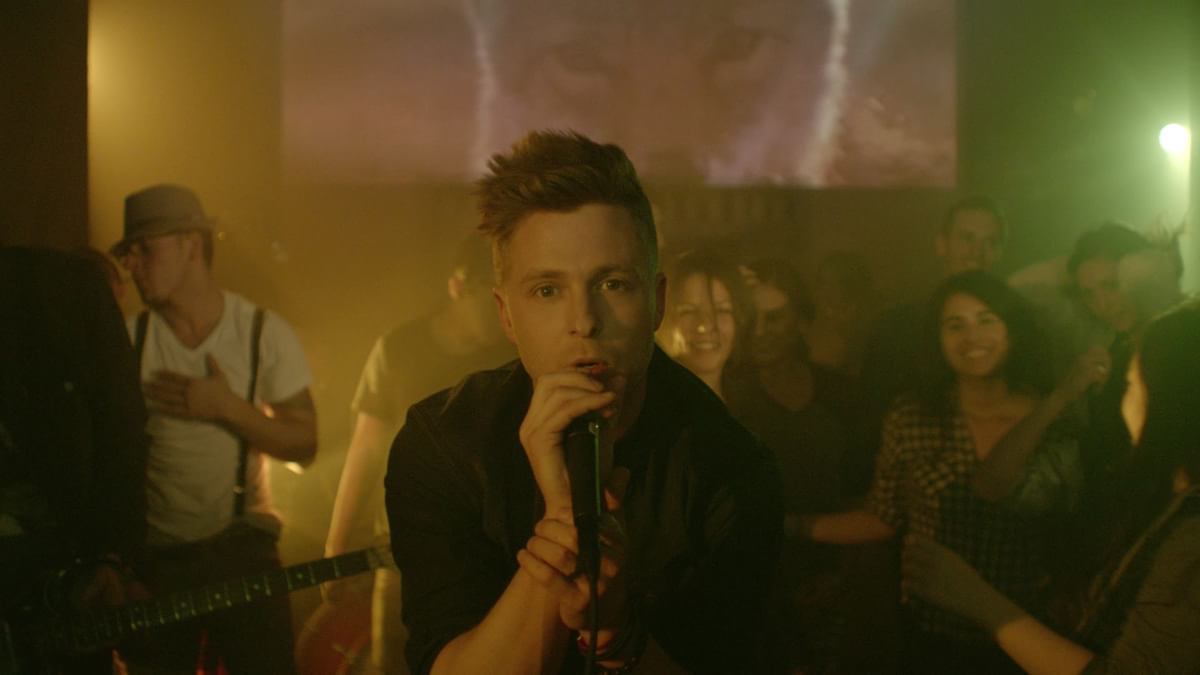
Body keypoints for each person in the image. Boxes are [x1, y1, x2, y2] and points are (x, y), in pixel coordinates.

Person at [385, 130, 783, 675]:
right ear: (506, 316)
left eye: (613, 284)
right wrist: (566, 521)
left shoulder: (731, 466)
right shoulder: (445, 442)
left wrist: (616, 635)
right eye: (547, 290)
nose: (584, 321)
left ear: (657, 302)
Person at [802, 271, 1087, 674]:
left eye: (986, 320)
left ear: (1012, 328)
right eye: (955, 325)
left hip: (1028, 636)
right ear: (937, 339)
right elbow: (882, 517)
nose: (972, 337)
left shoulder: (1052, 419)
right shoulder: (913, 416)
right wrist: (791, 525)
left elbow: (1073, 527)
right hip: (932, 634)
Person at [905, 297, 1200, 674]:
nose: (1122, 396)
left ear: (1168, 400)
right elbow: (991, 484)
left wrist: (977, 600)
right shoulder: (1156, 488)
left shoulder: (1191, 534)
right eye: (955, 324)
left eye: (1130, 384)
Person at [111, 184, 317, 674]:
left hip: (242, 552)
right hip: (156, 566)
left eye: (146, 249)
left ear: (191, 245)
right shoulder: (128, 341)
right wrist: (122, 568)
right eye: (128, 253)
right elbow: (107, 466)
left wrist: (227, 408)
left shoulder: (260, 332)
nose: (132, 264)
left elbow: (305, 444)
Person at [322, 234, 514, 675]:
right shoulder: (400, 348)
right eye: (488, 295)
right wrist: (337, 545)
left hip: (492, 553)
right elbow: (365, 450)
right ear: (457, 286)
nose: (499, 310)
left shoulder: (513, 354)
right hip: (403, 552)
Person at [0, 246, 148, 674]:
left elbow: (120, 430)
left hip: (59, 581)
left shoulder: (61, 288)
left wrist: (112, 556)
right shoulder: (63, 285)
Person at [853, 195, 1008, 495]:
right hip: (912, 490)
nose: (978, 252)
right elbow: (870, 419)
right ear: (942, 245)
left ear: (1000, 252)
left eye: (990, 242)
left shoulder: (1016, 327)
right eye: (967, 239)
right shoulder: (896, 327)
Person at [656, 247, 752, 399]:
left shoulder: (754, 407)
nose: (703, 326)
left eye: (721, 310)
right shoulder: (641, 408)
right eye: (688, 311)